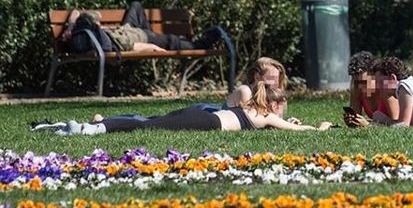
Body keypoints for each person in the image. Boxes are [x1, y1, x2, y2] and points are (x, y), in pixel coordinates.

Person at [50, 85, 332, 135]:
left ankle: (98, 124)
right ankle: (92, 129)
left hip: (203, 115)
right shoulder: (266, 116)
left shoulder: (249, 107)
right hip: (207, 123)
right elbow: (296, 129)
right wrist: (319, 127)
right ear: (271, 104)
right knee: (149, 125)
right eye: (280, 105)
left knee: (150, 121)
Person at [63, 2, 221, 54]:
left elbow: (76, 12)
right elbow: (135, 46)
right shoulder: (111, 42)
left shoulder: (80, 32)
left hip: (128, 28)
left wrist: (70, 27)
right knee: (171, 40)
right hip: (142, 37)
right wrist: (153, 47)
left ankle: (155, 35)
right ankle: (200, 44)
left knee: (136, 5)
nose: (99, 22)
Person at [345, 55, 403, 128]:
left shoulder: (386, 92)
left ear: (375, 76)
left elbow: (399, 125)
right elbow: (356, 122)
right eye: (356, 82)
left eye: (364, 82)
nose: (360, 87)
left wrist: (368, 125)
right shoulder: (358, 90)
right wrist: (352, 120)